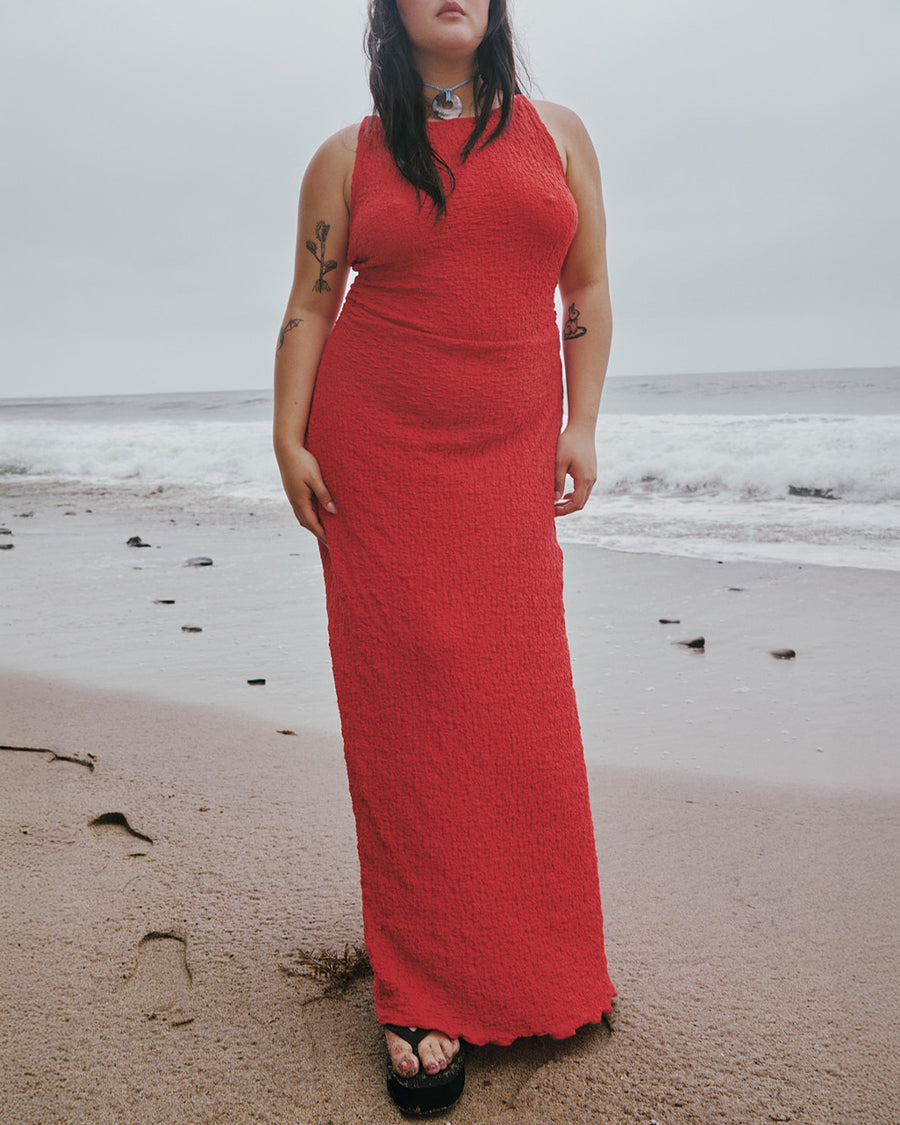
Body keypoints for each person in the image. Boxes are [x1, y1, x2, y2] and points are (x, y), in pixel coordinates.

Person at [273, 0, 615, 1114]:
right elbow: (312, 308)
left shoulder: (558, 134)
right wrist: (286, 434)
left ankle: (539, 965)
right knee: (407, 707)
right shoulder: (349, 155)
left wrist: (581, 423)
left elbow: (587, 289)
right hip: (379, 448)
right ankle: (418, 987)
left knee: (521, 703)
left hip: (509, 453)